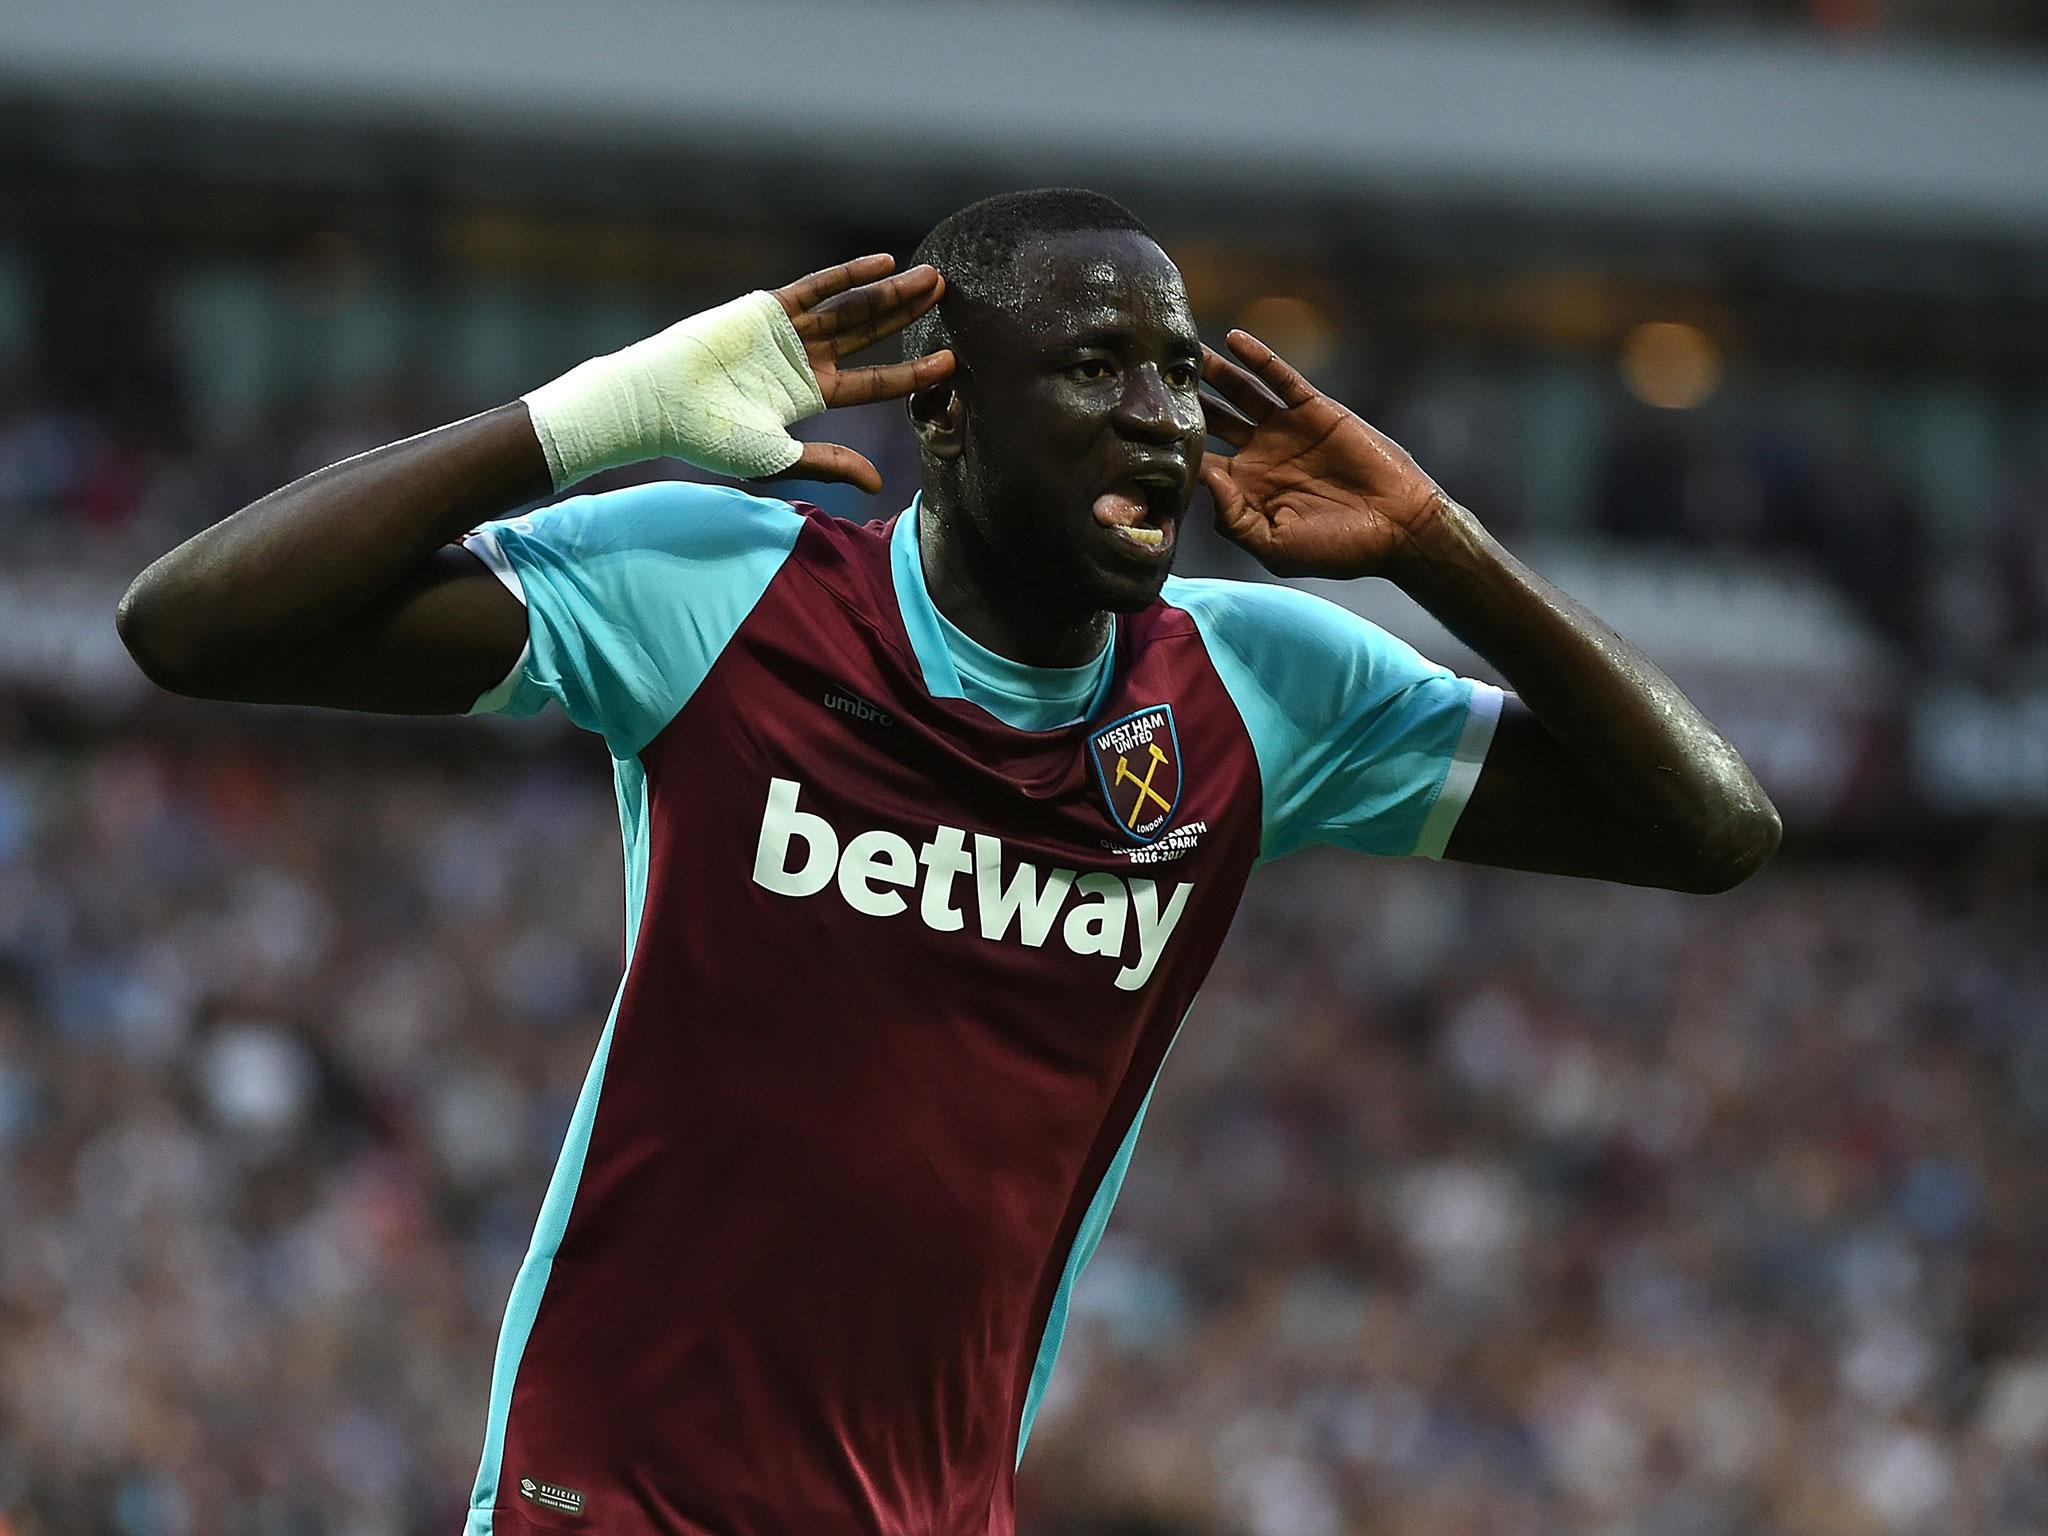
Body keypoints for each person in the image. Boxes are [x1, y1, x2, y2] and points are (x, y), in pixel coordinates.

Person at [115, 188, 1780, 1536]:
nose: (1158, 421)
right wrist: (596, 416)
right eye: (1095, 368)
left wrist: (1441, 551)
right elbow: (187, 626)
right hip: (607, 1501)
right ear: (948, 411)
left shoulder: (1259, 690)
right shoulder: (727, 595)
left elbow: (1713, 830)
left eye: (1178, 373)